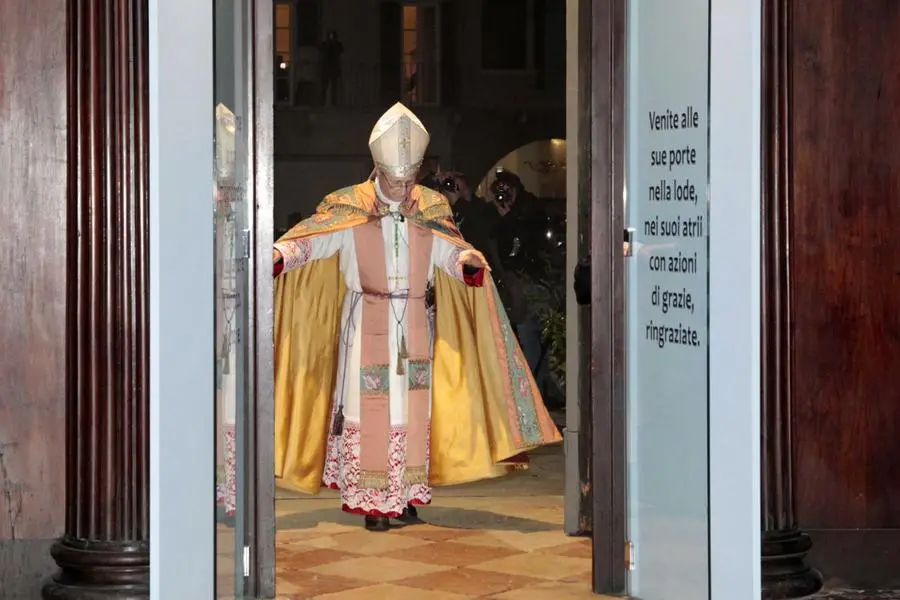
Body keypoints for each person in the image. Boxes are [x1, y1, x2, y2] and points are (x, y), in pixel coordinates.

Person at [272, 103, 562, 532]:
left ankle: (405, 495)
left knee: (410, 412)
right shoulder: (348, 205)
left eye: (409, 177)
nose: (402, 185)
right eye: (394, 178)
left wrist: (466, 262)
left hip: (414, 321)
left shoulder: (429, 205)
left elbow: (449, 249)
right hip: (367, 317)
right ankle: (373, 500)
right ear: (377, 168)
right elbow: (316, 243)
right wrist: (282, 255)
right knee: (368, 409)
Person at [319, 30, 344, 106]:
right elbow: (322, 50)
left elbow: (340, 50)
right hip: (327, 68)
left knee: (334, 88)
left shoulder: (337, 45)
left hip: (333, 68)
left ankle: (333, 103)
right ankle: (322, 103)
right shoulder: (325, 45)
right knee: (324, 87)